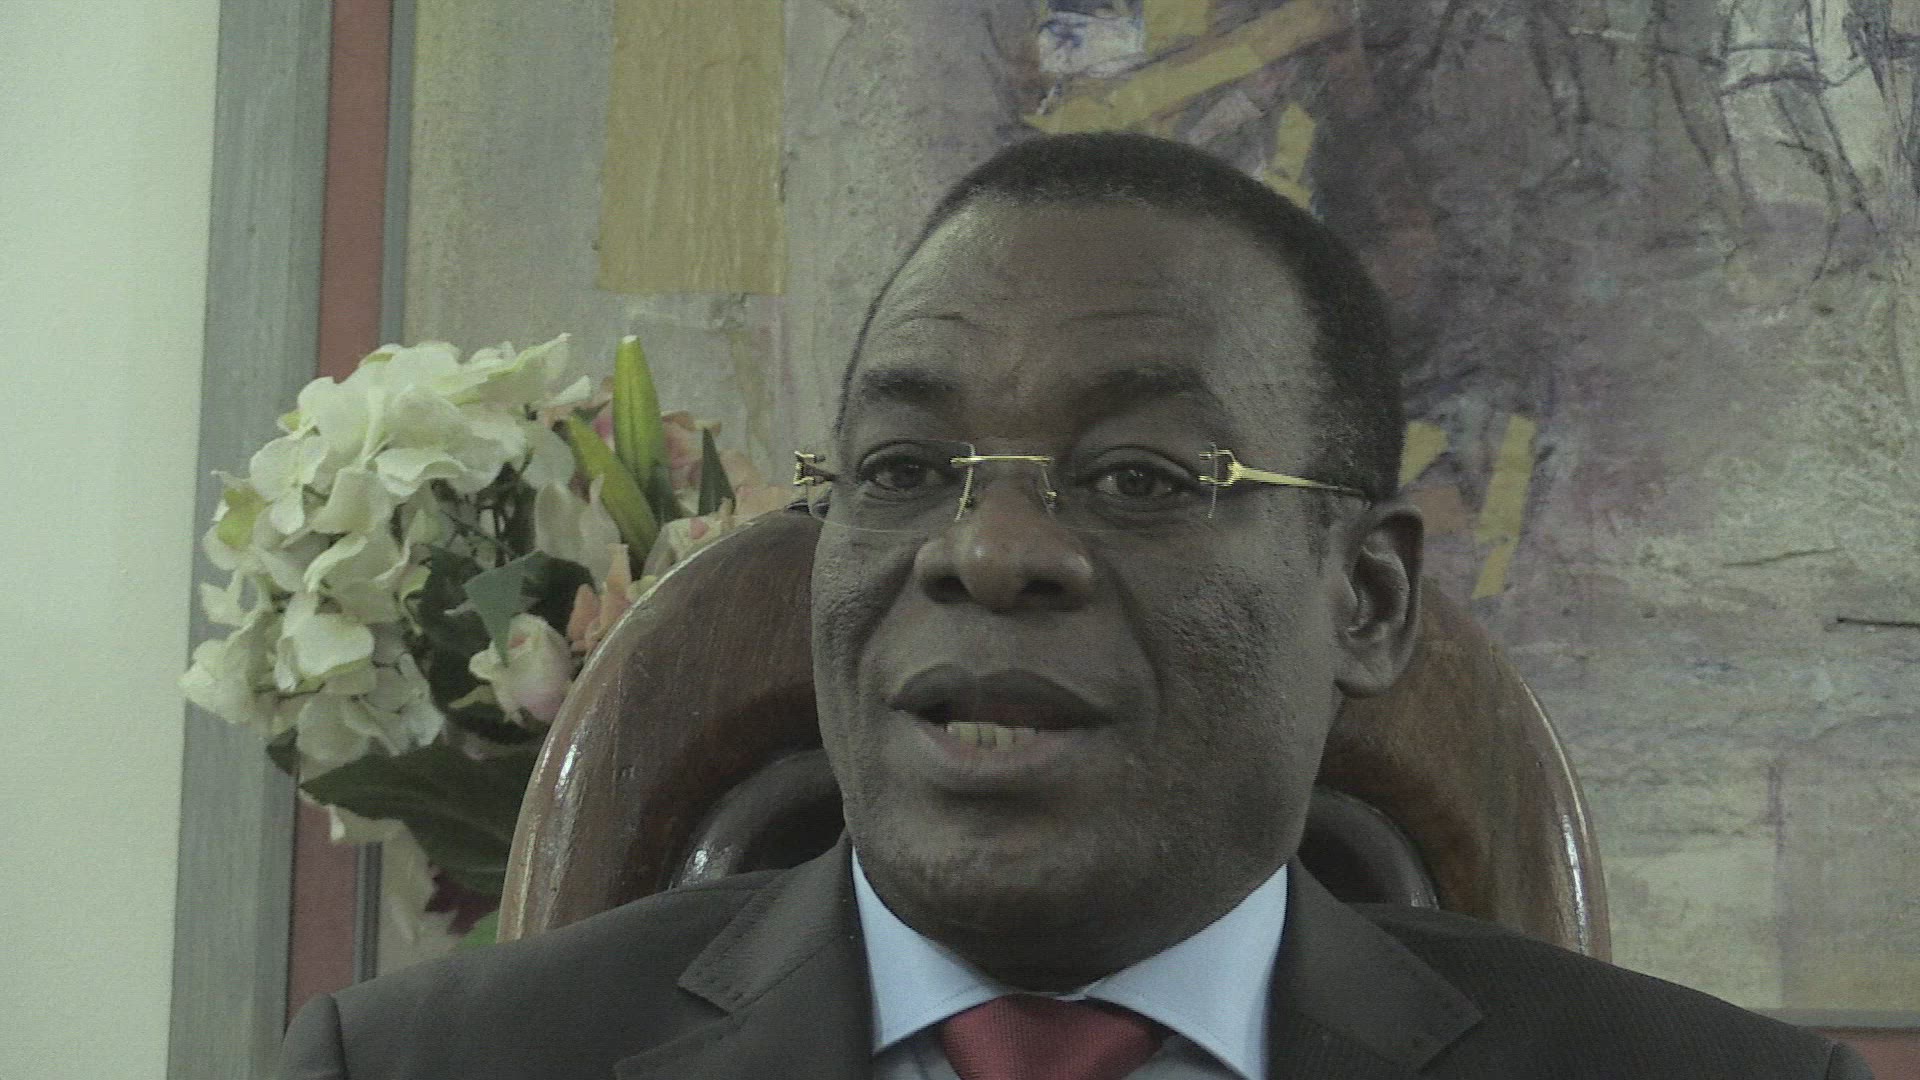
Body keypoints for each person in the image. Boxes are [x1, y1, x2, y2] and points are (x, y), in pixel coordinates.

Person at [280, 134, 1871, 1079]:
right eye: (907, 467)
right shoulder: (413, 1071)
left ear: (1368, 597)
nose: (989, 553)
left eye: (1140, 477)